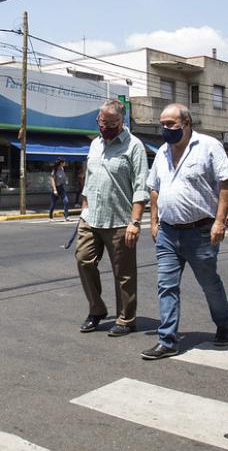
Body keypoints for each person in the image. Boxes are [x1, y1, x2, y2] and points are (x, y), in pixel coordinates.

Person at [141, 103, 228, 360]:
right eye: (162, 124)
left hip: (200, 231)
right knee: (166, 286)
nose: (165, 129)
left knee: (209, 283)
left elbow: (226, 183)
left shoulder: (208, 146)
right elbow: (155, 188)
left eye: (170, 124)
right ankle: (167, 340)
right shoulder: (161, 152)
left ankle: (223, 323)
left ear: (187, 124)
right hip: (168, 232)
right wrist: (154, 221)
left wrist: (219, 222)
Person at [75, 99, 148, 337]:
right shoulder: (95, 144)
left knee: (123, 274)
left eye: (109, 122)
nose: (103, 126)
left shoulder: (134, 146)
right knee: (84, 260)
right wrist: (83, 209)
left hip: (119, 220)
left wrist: (135, 222)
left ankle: (126, 318)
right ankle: (97, 310)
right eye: (100, 121)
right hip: (91, 217)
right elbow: (90, 180)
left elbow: (140, 187)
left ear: (121, 121)